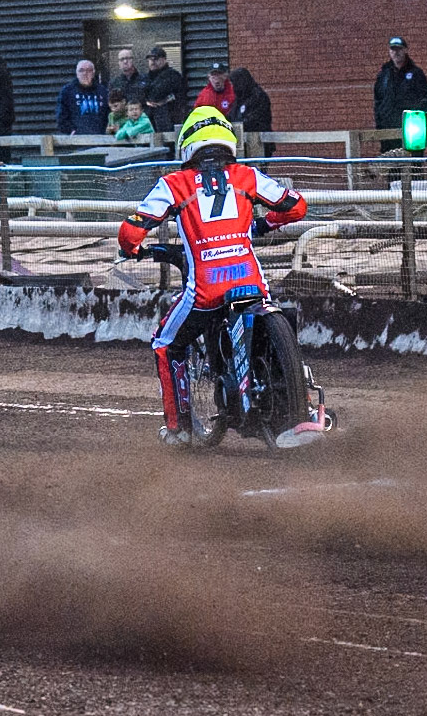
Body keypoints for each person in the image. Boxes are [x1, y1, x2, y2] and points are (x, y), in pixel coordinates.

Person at [115, 106, 309, 447]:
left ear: (188, 145)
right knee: (274, 313)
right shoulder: (246, 176)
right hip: (250, 280)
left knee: (165, 343)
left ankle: (180, 429)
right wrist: (261, 225)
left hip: (205, 289)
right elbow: (296, 206)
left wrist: (132, 251)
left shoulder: (173, 184)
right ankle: (300, 400)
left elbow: (130, 233)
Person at [373, 36, 427, 152]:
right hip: (388, 130)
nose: (396, 53)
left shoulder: (416, 74)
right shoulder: (384, 75)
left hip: (411, 131)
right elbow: (378, 100)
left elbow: (425, 101)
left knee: (413, 165)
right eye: (393, 50)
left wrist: (417, 120)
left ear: (405, 50)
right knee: (391, 166)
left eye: (399, 49)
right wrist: (380, 123)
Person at [55, 59, 109, 135]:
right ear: (77, 73)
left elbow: (109, 114)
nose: (85, 73)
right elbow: (61, 117)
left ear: (93, 73)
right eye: (81, 70)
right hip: (77, 141)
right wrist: (71, 131)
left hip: (100, 139)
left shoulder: (103, 91)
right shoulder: (67, 91)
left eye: (88, 70)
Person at [143, 46, 188, 133]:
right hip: (149, 123)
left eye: (155, 58)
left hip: (168, 120)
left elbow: (158, 94)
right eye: (150, 59)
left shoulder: (173, 76)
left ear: (164, 59)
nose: (152, 62)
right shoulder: (145, 78)